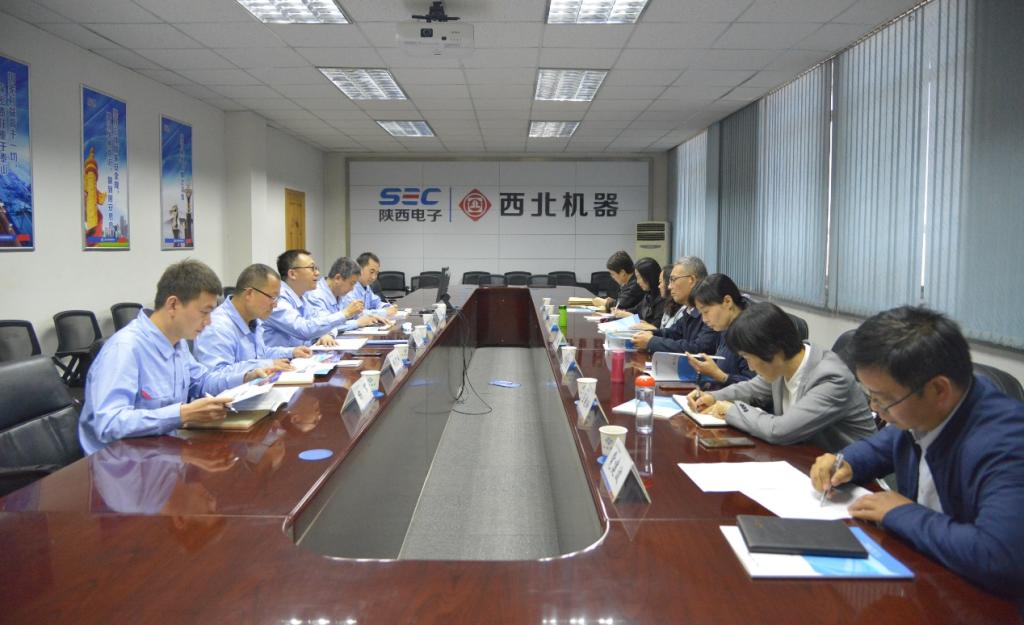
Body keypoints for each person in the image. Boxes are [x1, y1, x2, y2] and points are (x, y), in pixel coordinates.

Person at [810, 307, 1024, 601]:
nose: (874, 408)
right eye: (871, 396)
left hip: (982, 600)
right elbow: (883, 445)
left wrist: (900, 512)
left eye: (882, 399)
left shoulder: (1007, 444)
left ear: (938, 390)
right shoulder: (924, 411)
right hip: (924, 572)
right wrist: (846, 461)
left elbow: (998, 557)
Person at [79, 260, 271, 455]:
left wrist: (245, 376)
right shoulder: (125, 350)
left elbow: (202, 382)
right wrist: (182, 414)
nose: (208, 322)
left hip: (162, 450)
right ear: (173, 305)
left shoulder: (177, 344)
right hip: (120, 462)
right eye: (204, 312)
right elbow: (108, 423)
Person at [690, 302, 875, 451]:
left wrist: (729, 410)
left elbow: (778, 431)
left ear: (773, 350)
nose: (750, 367)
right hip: (802, 457)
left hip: (849, 475)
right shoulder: (783, 364)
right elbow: (751, 388)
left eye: (748, 358)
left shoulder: (831, 378)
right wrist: (713, 397)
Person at [194, 263, 313, 378]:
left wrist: (292, 352)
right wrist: (265, 364)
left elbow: (260, 354)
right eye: (272, 297)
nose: (275, 304)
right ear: (249, 293)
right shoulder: (217, 326)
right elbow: (216, 375)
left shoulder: (253, 319)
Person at [262, 249, 353, 348]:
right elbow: (304, 330)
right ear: (292, 274)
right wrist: (345, 314)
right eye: (312, 268)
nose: (317, 273)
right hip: (282, 357)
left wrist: (327, 334)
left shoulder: (304, 296)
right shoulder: (277, 299)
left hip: (301, 355)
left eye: (316, 268)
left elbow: (324, 320)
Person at [630, 256, 718, 354]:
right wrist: (649, 333)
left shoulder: (711, 310)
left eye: (673, 279)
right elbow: (673, 333)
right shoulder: (689, 310)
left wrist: (651, 341)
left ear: (692, 280)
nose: (669, 286)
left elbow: (698, 348)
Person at [683, 273, 755, 388]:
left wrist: (718, 375)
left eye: (706, 312)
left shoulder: (751, 331)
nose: (704, 320)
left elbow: (757, 388)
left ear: (727, 301)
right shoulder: (725, 327)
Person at [305, 256, 384, 331]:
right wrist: (357, 323)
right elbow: (324, 326)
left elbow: (355, 315)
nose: (352, 288)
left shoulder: (340, 294)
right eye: (352, 283)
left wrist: (371, 317)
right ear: (337, 278)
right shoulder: (316, 295)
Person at [340, 252, 397, 318]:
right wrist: (384, 312)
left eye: (376, 273)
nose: (374, 277)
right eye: (371, 272)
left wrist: (388, 307)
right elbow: (357, 314)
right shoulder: (349, 287)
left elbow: (376, 302)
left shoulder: (366, 286)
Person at [613, 257, 663, 326]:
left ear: (649, 277)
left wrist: (630, 316)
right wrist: (621, 312)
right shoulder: (648, 295)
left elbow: (654, 327)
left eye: (639, 277)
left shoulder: (662, 298)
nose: (637, 282)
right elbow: (636, 310)